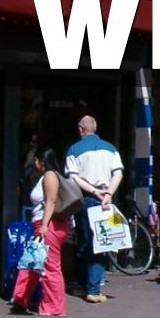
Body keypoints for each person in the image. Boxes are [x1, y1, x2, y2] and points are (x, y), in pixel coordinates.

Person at [66, 115, 123, 303]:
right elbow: (118, 174)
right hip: (106, 199)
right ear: (96, 128)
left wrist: (93, 191)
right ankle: (94, 290)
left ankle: (83, 286)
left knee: (84, 241)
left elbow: (73, 177)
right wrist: (108, 193)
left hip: (85, 198)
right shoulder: (111, 148)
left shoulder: (74, 149)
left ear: (80, 129)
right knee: (101, 243)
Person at [10, 148, 70, 317]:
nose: (34, 163)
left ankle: (54, 307)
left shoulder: (50, 176)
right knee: (31, 262)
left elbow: (51, 201)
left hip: (48, 226)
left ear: (41, 161)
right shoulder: (48, 176)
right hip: (44, 225)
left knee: (50, 266)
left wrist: (44, 225)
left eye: (35, 160)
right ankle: (20, 299)